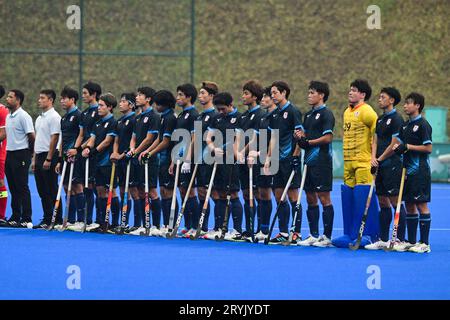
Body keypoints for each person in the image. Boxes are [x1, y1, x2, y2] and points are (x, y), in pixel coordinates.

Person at [380, 92, 433, 253]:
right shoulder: (405, 126)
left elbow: (428, 148)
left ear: (417, 106)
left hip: (420, 171)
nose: (405, 106)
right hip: (406, 172)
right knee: (409, 205)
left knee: (421, 205)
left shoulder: (423, 125)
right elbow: (398, 144)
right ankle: (410, 241)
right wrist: (393, 151)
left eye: (408, 103)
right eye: (405, 103)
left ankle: (424, 243)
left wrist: (408, 147)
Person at [332, 79, 379, 248]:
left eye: (354, 90)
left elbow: (376, 134)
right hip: (348, 162)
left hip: (363, 162)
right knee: (348, 196)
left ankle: (368, 234)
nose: (350, 92)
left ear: (363, 94)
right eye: (350, 89)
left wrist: (373, 157)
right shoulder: (346, 112)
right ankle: (349, 233)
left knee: (363, 196)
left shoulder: (368, 112)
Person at [294, 81, 335, 247]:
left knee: (324, 198)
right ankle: (313, 234)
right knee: (310, 197)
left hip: (322, 162)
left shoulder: (327, 114)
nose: (309, 95)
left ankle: (326, 237)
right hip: (308, 162)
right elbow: (305, 135)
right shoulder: (308, 115)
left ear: (321, 95)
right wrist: (300, 136)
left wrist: (308, 142)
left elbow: (328, 137)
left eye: (312, 93)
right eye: (309, 92)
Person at [366, 87, 407, 250]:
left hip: (392, 165)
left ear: (391, 100)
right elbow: (375, 140)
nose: (379, 99)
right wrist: (373, 158)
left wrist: (380, 159)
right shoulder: (380, 119)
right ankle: (383, 239)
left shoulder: (397, 119)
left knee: (395, 202)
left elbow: (395, 143)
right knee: (382, 202)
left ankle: (399, 240)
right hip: (380, 165)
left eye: (383, 97)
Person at [264, 81, 303, 245]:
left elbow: (300, 136)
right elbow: (273, 139)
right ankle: (283, 231)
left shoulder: (293, 111)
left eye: (275, 93)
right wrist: (268, 158)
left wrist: (295, 156)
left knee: (294, 196)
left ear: (284, 93)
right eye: (271, 93)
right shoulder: (274, 115)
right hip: (276, 161)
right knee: (279, 196)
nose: (272, 96)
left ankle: (296, 233)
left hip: (289, 160)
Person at [206, 92, 244, 241]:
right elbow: (209, 138)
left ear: (230, 104)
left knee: (232, 194)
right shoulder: (216, 118)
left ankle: (237, 230)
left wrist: (235, 154)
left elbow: (238, 139)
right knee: (220, 194)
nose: (221, 112)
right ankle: (220, 228)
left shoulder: (239, 118)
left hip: (231, 162)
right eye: (218, 109)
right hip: (218, 161)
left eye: (223, 109)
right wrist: (213, 148)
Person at [141, 90, 177, 236]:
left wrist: (151, 153)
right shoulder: (162, 117)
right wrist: (148, 151)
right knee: (163, 192)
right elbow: (158, 139)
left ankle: (171, 225)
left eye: (157, 103)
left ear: (164, 104)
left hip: (169, 158)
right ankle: (165, 224)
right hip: (161, 159)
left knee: (168, 193)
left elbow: (166, 142)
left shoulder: (170, 118)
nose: (155, 105)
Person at [82, 93, 118, 232]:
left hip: (108, 163)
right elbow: (92, 138)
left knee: (111, 192)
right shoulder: (97, 123)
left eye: (102, 105)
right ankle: (102, 222)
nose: (99, 108)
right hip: (97, 162)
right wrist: (87, 148)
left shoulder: (113, 123)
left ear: (109, 107)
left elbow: (107, 141)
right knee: (100, 191)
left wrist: (93, 151)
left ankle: (114, 223)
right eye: (99, 105)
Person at [67, 81, 102, 230]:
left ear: (94, 95)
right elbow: (81, 134)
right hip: (82, 153)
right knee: (85, 187)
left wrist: (83, 147)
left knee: (95, 188)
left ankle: (98, 221)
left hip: (93, 153)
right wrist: (75, 148)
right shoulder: (85, 113)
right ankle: (84, 221)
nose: (83, 96)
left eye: (85, 93)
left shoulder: (99, 111)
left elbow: (95, 135)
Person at [128, 87, 160, 235]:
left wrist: (138, 151)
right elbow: (133, 137)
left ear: (148, 99)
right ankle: (142, 224)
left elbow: (150, 138)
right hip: (137, 157)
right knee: (140, 190)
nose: (137, 97)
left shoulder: (154, 116)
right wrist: (132, 149)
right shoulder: (137, 117)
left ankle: (157, 225)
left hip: (149, 159)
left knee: (151, 191)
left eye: (140, 95)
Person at [237, 80, 265, 242]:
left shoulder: (260, 115)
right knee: (246, 194)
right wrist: (238, 153)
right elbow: (239, 137)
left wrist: (245, 152)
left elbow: (255, 138)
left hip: (254, 160)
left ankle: (261, 228)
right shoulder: (244, 116)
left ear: (254, 97)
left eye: (246, 93)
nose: (243, 96)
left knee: (257, 194)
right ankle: (248, 228)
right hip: (243, 159)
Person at [171, 83, 200, 237]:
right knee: (183, 192)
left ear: (189, 97)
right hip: (179, 159)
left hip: (189, 160)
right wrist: (174, 160)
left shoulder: (194, 114)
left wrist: (188, 159)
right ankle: (188, 225)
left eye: (181, 95)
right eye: (178, 95)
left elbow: (194, 138)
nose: (178, 98)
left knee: (190, 192)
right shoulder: (181, 115)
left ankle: (195, 226)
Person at [248, 86, 276, 242]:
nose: (263, 100)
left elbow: (276, 139)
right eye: (263, 97)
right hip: (260, 158)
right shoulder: (263, 118)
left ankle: (284, 232)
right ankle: (262, 228)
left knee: (276, 195)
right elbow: (256, 139)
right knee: (262, 193)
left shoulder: (276, 116)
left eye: (267, 97)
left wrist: (262, 154)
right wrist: (251, 152)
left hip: (272, 159)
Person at [55, 87, 85, 231]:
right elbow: (62, 139)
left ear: (72, 100)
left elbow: (82, 135)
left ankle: (80, 220)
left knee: (77, 187)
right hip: (65, 157)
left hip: (75, 156)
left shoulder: (79, 115)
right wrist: (59, 159)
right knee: (67, 187)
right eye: (61, 98)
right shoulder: (64, 118)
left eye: (64, 98)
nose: (61, 101)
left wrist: (76, 150)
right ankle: (70, 220)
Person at [4, 89, 35, 228]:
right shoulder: (8, 116)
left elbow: (32, 136)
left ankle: (26, 218)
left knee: (22, 187)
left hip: (21, 154)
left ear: (18, 100)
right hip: (9, 154)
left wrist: (30, 154)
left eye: (10, 97)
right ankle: (15, 216)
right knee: (13, 187)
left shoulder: (24, 116)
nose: (7, 99)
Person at [193, 81, 220, 239]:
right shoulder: (200, 115)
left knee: (214, 192)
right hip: (199, 159)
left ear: (211, 96)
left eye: (203, 93)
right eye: (200, 93)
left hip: (210, 159)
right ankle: (203, 226)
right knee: (202, 192)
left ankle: (217, 227)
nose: (200, 96)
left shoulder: (215, 115)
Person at [32, 89, 61, 229]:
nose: (39, 100)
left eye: (42, 98)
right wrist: (34, 159)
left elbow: (54, 138)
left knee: (52, 188)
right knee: (42, 190)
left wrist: (49, 159)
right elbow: (38, 139)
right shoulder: (39, 118)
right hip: (39, 155)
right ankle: (47, 217)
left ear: (50, 100)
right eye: (39, 98)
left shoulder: (55, 117)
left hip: (50, 155)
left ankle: (57, 218)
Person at [110, 93, 136, 231]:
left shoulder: (134, 120)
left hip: (128, 159)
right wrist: (115, 153)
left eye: (124, 101)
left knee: (129, 190)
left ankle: (127, 222)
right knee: (121, 190)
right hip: (119, 159)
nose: (120, 104)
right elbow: (116, 140)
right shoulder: (119, 121)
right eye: (120, 101)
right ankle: (121, 221)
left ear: (131, 105)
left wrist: (122, 155)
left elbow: (134, 140)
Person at [0, 85, 8, 225]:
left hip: (0, 154)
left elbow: (3, 133)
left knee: (0, 183)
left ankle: (1, 215)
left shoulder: (2, 111)